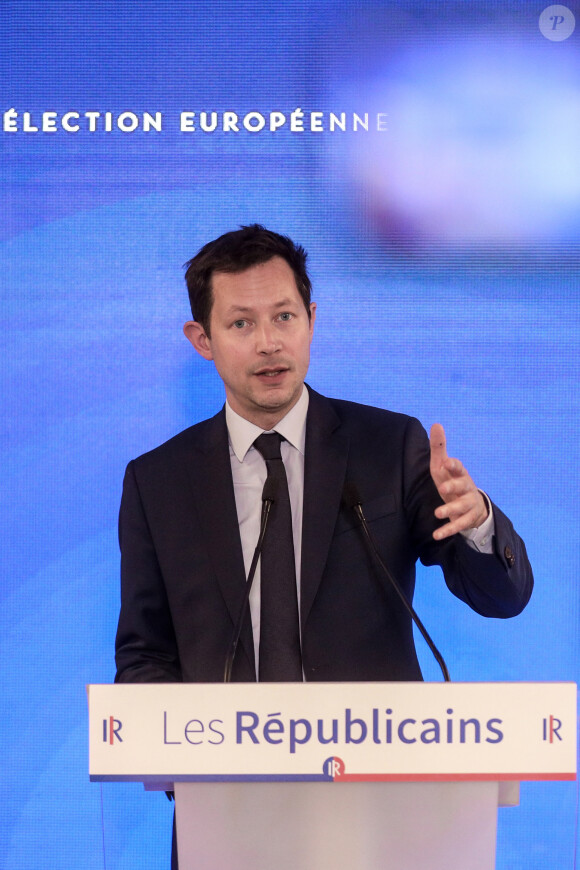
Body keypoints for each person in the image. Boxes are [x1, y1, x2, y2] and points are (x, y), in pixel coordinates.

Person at [115, 224, 533, 688]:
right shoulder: (158, 483)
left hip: (373, 745)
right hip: (224, 756)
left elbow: (501, 599)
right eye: (241, 324)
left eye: (284, 317)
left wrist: (477, 524)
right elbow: (145, 655)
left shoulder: (388, 447)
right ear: (202, 340)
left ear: (311, 320)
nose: (268, 343)